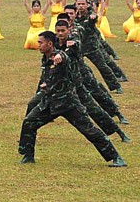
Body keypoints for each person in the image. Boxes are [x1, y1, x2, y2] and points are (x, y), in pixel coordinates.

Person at [17, 31, 125, 167]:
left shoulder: (59, 56)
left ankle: (116, 158)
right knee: (29, 122)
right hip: (50, 103)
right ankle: (28, 156)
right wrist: (46, 85)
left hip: (69, 104)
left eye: (40, 43)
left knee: (89, 130)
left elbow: (63, 57)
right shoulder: (45, 58)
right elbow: (51, 77)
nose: (38, 45)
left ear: (50, 44)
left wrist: (59, 57)